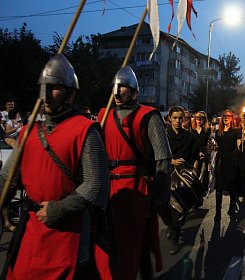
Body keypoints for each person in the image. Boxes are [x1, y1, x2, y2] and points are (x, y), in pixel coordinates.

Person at [0, 54, 110, 279]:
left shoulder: (86, 131)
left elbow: (96, 186)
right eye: (43, 88)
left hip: (70, 232)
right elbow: (8, 178)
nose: (47, 95)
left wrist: (59, 209)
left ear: (71, 92)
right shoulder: (29, 132)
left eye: (54, 88)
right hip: (31, 230)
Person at [97, 66, 172, 279]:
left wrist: (161, 196)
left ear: (134, 92)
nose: (117, 92)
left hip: (138, 188)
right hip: (111, 189)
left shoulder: (149, 116)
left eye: (123, 88)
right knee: (111, 242)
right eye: (114, 87)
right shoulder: (103, 115)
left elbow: (162, 158)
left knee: (141, 241)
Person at [166, 106, 200, 255]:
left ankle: (175, 237)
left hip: (184, 177)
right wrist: (171, 161)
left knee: (178, 208)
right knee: (168, 207)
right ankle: (173, 230)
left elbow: (196, 156)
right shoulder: (164, 136)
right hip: (167, 175)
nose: (178, 121)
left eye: (181, 118)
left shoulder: (190, 137)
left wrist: (194, 172)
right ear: (169, 119)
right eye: (175, 118)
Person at [214, 109, 240, 221]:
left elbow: (239, 145)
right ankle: (218, 212)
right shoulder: (217, 132)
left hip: (231, 160)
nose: (226, 118)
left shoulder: (236, 131)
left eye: (229, 116)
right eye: (224, 116)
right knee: (219, 187)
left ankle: (232, 205)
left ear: (232, 118)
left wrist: (241, 142)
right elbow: (216, 145)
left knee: (231, 186)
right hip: (220, 160)